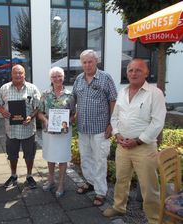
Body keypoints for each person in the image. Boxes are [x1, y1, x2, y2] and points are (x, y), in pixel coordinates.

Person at [103, 59, 166, 224]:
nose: (133, 73)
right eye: (130, 70)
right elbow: (115, 117)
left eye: (138, 70)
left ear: (146, 73)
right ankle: (119, 206)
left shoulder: (155, 93)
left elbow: (157, 122)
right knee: (121, 179)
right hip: (123, 146)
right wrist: (117, 135)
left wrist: (138, 141)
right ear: (126, 73)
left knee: (149, 186)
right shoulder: (122, 92)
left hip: (144, 148)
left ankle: (153, 219)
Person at [72, 49, 117, 206]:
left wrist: (112, 123)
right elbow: (74, 99)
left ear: (96, 61)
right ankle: (90, 182)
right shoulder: (78, 79)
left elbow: (113, 100)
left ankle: (100, 192)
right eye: (84, 62)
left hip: (100, 129)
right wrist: (71, 115)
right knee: (86, 159)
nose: (87, 64)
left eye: (90, 61)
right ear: (81, 64)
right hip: (83, 128)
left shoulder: (105, 78)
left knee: (99, 160)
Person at [0, 64, 40, 189]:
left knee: (29, 155)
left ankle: (29, 176)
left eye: (20, 73)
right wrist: (2, 111)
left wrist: (31, 117)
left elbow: (38, 107)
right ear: (12, 74)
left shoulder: (32, 88)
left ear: (24, 74)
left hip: (28, 130)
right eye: (15, 73)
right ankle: (13, 175)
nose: (18, 75)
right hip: (11, 130)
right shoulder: (4, 88)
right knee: (12, 155)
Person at [38, 67, 75, 198]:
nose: (57, 79)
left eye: (59, 76)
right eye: (54, 76)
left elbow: (74, 114)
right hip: (49, 131)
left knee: (63, 157)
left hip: (64, 132)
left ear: (63, 77)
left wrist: (68, 122)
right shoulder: (45, 93)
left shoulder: (70, 95)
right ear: (50, 79)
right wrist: (45, 120)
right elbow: (40, 112)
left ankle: (61, 184)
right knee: (50, 156)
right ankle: (51, 180)